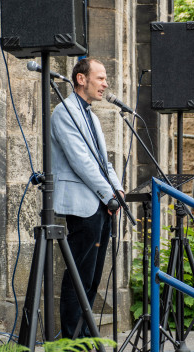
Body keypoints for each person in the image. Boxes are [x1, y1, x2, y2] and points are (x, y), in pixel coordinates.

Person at [51, 58, 124, 339]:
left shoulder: (91, 116)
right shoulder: (64, 112)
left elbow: (103, 162)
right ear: (81, 79)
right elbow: (81, 161)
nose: (105, 84)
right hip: (83, 206)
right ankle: (71, 339)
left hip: (102, 203)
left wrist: (117, 190)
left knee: (92, 278)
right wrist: (108, 195)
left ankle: (84, 337)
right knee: (78, 277)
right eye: (101, 78)